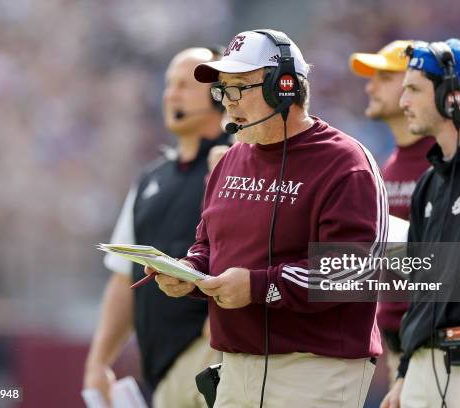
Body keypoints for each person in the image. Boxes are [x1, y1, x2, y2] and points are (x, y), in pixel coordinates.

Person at [148, 29, 388, 407]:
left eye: (240, 87)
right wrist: (187, 274)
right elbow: (208, 246)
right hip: (234, 369)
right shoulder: (229, 159)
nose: (228, 102)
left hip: (315, 370)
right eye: (223, 90)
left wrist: (257, 286)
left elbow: (350, 271)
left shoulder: (345, 162)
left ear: (284, 87)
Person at [83, 47, 229, 407]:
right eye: (168, 84)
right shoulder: (150, 179)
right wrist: (98, 361)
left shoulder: (239, 163)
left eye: (184, 84)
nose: (171, 94)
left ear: (217, 93)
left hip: (215, 357)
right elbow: (123, 278)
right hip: (163, 373)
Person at [380, 39, 460, 408]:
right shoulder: (427, 185)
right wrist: (404, 375)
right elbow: (420, 288)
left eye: (413, 89)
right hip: (419, 369)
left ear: (453, 97)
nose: (403, 103)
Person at [350, 40, 434, 384]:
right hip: (399, 345)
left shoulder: (443, 159)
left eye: (383, 77)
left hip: (437, 344)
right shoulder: (389, 165)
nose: (370, 87)